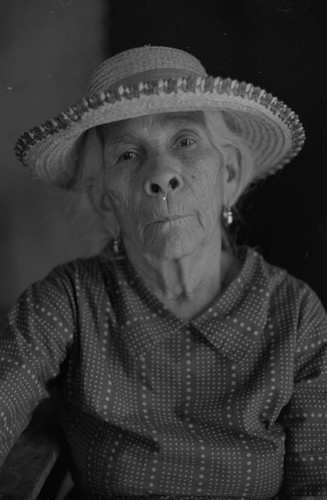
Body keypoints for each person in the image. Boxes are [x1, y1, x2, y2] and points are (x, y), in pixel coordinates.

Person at [1, 45, 326, 499]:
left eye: (185, 141)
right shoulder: (70, 299)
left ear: (228, 175)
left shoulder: (294, 314)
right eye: (128, 155)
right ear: (104, 201)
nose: (161, 174)